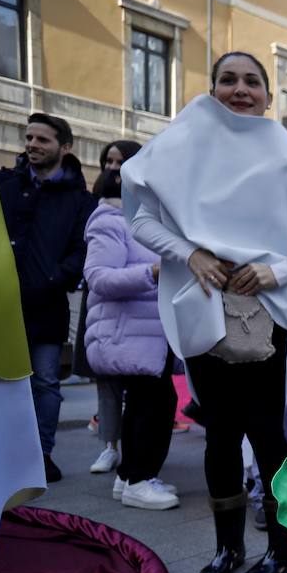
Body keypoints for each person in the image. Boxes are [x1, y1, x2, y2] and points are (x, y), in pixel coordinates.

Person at [125, 50, 287, 573]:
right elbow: (141, 221)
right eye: (228, 79)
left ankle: (283, 549)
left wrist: (276, 271)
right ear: (211, 88)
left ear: (268, 94)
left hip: (267, 310)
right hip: (203, 304)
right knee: (218, 434)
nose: (240, 89)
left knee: (266, 433)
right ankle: (227, 548)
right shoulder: (182, 144)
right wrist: (191, 254)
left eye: (252, 81)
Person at [0, 112, 98, 482]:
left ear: (64, 147)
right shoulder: (4, 184)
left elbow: (83, 249)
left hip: (48, 304)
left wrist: (57, 276)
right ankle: (5, 454)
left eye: (42, 140)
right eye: (29, 138)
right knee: (2, 382)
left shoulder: (79, 200)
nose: (32, 145)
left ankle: (42, 455)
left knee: (45, 382)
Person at [82, 157, 180, 510]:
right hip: (130, 335)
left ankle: (129, 478)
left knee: (151, 403)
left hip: (150, 335)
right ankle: (138, 480)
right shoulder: (111, 221)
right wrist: (152, 272)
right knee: (149, 406)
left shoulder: (147, 222)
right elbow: (99, 277)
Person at [77, 139, 143, 476]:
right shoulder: (102, 211)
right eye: (109, 162)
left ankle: (133, 460)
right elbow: (99, 273)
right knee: (108, 387)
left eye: (121, 162)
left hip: (139, 314)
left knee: (142, 395)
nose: (113, 168)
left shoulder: (148, 205)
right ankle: (110, 448)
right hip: (107, 312)